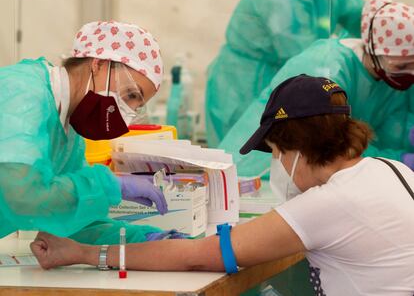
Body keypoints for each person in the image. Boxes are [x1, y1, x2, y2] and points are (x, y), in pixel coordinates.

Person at [30, 75, 414, 295]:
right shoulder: (389, 170)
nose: (279, 163)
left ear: (300, 146)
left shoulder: (330, 204)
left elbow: (199, 255)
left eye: (278, 151)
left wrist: (82, 253)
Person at [0, 21, 176, 244]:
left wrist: (145, 238)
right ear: (99, 64)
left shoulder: (68, 131)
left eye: (137, 106)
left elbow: (70, 217)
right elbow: (22, 197)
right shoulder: (22, 93)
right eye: (131, 94)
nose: (127, 113)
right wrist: (112, 185)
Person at [219, 0, 414, 188]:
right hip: (263, 172)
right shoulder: (326, 67)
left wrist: (402, 155)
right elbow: (330, 144)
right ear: (375, 49)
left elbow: (394, 126)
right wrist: (398, 161)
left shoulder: (390, 77)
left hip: (316, 172)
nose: (410, 72)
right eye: (403, 64)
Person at [205, 0, 364, 147]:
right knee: (239, 153)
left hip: (285, 76)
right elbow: (304, 59)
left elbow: (361, 19)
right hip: (241, 85)